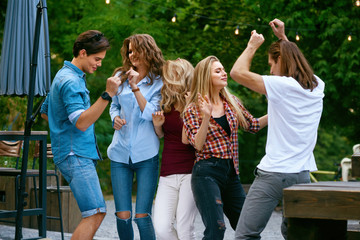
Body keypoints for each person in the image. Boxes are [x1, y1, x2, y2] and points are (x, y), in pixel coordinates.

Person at [230, 19, 325, 239]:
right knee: (294, 234)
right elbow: (296, 61)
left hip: (274, 174)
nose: (271, 70)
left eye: (272, 64)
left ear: (281, 60)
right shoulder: (317, 86)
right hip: (302, 177)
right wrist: (283, 39)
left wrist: (252, 46)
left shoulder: (281, 85)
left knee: (245, 234)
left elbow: (237, 72)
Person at [40, 30, 121, 240]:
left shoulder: (63, 74)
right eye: (97, 59)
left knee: (94, 212)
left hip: (70, 152)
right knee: (95, 213)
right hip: (75, 154)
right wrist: (108, 95)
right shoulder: (71, 81)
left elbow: (45, 112)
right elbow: (82, 122)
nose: (99, 64)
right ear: (83, 53)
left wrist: (62, 132)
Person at [182, 56, 268, 240]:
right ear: (206, 76)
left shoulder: (232, 102)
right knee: (216, 229)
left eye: (223, 69)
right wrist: (206, 117)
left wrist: (278, 110)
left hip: (231, 173)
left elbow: (252, 125)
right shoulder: (193, 109)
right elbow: (197, 144)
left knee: (247, 228)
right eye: (218, 71)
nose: (224, 73)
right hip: (206, 173)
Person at [107, 34, 164, 240]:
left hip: (146, 155)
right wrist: (115, 118)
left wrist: (135, 87)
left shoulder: (159, 82)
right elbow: (114, 105)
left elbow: (151, 114)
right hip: (119, 154)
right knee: (123, 216)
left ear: (148, 51)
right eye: (129, 51)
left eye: (135, 50)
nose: (131, 55)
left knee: (142, 216)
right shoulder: (120, 76)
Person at [152, 59, 198, 240]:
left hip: (191, 171)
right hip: (168, 172)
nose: (167, 79)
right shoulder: (166, 104)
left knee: (185, 228)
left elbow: (194, 140)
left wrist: (189, 112)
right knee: (162, 228)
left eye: (172, 75)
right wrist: (157, 126)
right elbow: (162, 135)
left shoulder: (196, 104)